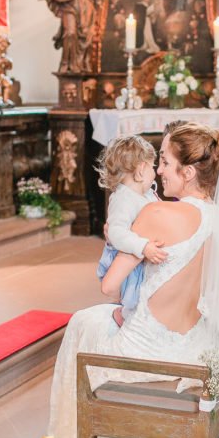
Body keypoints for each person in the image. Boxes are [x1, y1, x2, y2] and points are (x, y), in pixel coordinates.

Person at [37, 124, 219, 438]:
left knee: (82, 323)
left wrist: (118, 238)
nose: (160, 172)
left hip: (145, 352)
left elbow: (110, 285)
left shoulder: (157, 213)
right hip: (191, 345)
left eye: (167, 163)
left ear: (189, 172)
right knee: (91, 322)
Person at [95, 135, 168, 327]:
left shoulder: (144, 193)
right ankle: (124, 315)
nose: (156, 173)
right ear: (142, 169)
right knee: (132, 294)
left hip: (137, 257)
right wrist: (143, 247)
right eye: (153, 167)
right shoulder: (123, 198)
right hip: (127, 255)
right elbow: (116, 233)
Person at [33, 0, 105, 74]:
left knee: (86, 36)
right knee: (70, 33)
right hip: (69, 7)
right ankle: (66, 63)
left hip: (86, 10)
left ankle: (80, 64)